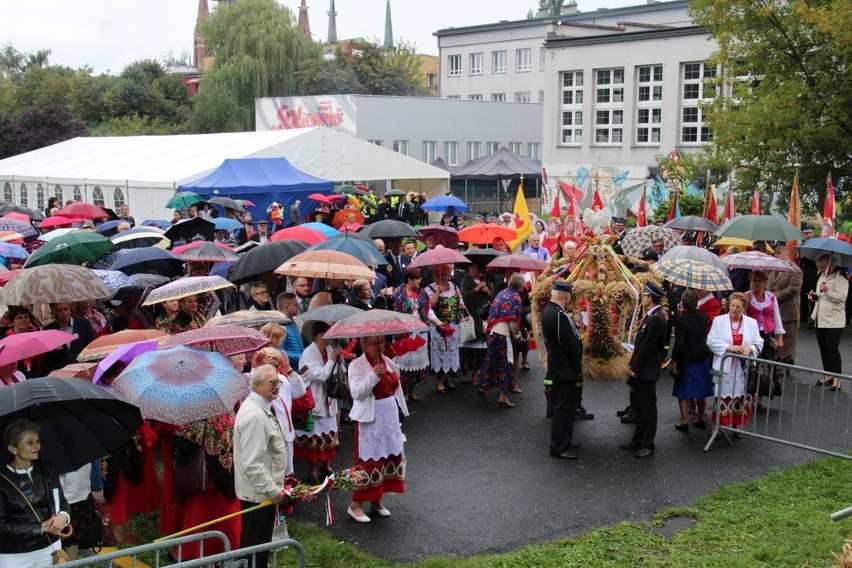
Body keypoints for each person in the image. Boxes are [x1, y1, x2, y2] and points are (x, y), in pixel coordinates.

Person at [346, 334, 408, 523]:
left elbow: (395, 386)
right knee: (368, 462)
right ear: (364, 345)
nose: (380, 346)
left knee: (387, 458)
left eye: (382, 342)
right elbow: (356, 392)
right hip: (370, 421)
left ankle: (376, 499)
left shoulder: (387, 360)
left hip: (388, 419)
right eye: (375, 343)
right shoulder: (356, 365)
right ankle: (355, 505)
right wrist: (373, 375)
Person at [233, 365, 289, 568]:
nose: (277, 387)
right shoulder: (255, 415)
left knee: (256, 549)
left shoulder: (261, 407)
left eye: (278, 382)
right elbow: (253, 464)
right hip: (258, 495)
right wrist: (273, 491)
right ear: (256, 386)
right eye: (272, 383)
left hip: (259, 493)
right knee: (255, 551)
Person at [0, 420, 71, 567]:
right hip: (15, 556)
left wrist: (63, 517)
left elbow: (62, 502)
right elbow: (2, 527)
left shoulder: (48, 470)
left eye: (37, 441)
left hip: (50, 548)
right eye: (30, 442)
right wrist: (40, 528)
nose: (37, 446)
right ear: (13, 448)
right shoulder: (2, 481)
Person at [171, 412, 241, 560]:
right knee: (226, 515)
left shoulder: (199, 412)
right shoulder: (229, 412)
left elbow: (183, 440)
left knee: (201, 516)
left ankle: (204, 555)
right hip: (227, 473)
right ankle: (227, 551)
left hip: (206, 476)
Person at [619, 283, 667, 458]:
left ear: (650, 298)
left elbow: (647, 347)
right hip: (642, 369)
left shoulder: (656, 318)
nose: (643, 297)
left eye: (645, 295)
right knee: (639, 406)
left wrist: (635, 368)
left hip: (647, 370)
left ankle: (647, 443)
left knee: (647, 408)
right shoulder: (651, 316)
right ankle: (637, 439)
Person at [706, 292, 764, 431]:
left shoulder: (752, 323)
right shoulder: (719, 321)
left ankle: (737, 426)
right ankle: (717, 426)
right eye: (732, 305)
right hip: (725, 366)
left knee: (741, 396)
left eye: (738, 307)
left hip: (742, 368)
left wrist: (749, 348)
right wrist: (729, 347)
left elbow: (759, 342)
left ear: (744, 308)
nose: (734, 309)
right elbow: (711, 341)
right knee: (721, 396)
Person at [295, 322, 341, 485]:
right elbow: (320, 375)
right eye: (325, 335)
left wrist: (335, 360)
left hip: (328, 399)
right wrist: (333, 359)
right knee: (314, 437)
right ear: (317, 336)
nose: (328, 339)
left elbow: (334, 371)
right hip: (315, 399)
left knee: (329, 434)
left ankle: (326, 466)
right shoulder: (308, 354)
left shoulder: (328, 350)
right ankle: (312, 470)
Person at [542, 280, 584, 460]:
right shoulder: (558, 315)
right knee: (563, 409)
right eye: (569, 296)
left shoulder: (550, 311)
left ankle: (564, 441)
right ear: (566, 295)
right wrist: (577, 368)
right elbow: (570, 346)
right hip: (564, 369)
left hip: (559, 367)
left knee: (566, 409)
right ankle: (558, 446)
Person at [474, 273, 525, 408]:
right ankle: (503, 396)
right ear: (520, 286)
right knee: (505, 365)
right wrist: (518, 336)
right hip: (502, 335)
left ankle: (483, 387)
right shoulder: (516, 298)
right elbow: (513, 322)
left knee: (491, 361)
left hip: (491, 332)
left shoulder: (501, 293)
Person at [670, 290, 713, 432]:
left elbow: (680, 343)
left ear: (683, 303)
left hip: (687, 359)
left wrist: (674, 360)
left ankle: (683, 420)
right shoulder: (703, 316)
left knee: (682, 392)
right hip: (702, 357)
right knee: (700, 391)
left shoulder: (682, 320)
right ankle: (700, 418)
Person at [392, 268, 435, 403]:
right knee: (403, 364)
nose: (421, 280)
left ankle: (412, 391)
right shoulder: (398, 294)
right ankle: (403, 392)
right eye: (418, 278)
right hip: (404, 333)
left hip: (420, 332)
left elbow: (428, 311)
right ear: (409, 280)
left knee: (417, 366)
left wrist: (439, 324)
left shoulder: (423, 294)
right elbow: (394, 313)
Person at [809, 255, 849, 390]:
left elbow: (842, 298)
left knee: (832, 349)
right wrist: (814, 296)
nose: (821, 270)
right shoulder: (821, 277)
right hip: (820, 318)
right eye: (819, 267)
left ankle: (837, 379)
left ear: (831, 266)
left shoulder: (840, 279)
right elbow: (821, 296)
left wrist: (828, 291)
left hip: (834, 320)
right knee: (823, 349)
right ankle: (827, 375)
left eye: (823, 267)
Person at [426, 264, 465, 393]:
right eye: (442, 274)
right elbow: (429, 306)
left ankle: (448, 378)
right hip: (439, 326)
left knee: (451, 351)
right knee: (440, 351)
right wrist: (438, 292)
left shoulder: (454, 287)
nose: (445, 277)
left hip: (453, 324)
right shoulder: (430, 288)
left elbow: (460, 300)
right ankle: (439, 381)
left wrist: (461, 304)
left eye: (447, 274)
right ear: (435, 275)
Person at [766, 247, 802, 364]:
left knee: (788, 340)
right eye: (774, 254)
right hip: (772, 311)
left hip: (788, 311)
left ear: (786, 255)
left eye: (778, 254)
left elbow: (792, 290)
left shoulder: (795, 270)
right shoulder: (772, 269)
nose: (775, 256)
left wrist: (772, 296)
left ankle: (787, 364)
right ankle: (775, 363)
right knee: (774, 338)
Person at [459, 263, 492, 384]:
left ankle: (476, 373)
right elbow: (464, 297)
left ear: (479, 268)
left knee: (481, 348)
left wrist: (487, 291)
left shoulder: (485, 280)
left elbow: (492, 298)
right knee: (466, 347)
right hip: (470, 315)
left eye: (475, 267)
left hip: (482, 317)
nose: (472, 269)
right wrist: (476, 289)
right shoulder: (466, 280)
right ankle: (463, 370)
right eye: (470, 267)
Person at [42, 302, 96, 374]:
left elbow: (91, 347)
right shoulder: (49, 330)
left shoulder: (84, 323)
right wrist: (54, 351)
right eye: (59, 310)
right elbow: (47, 359)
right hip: (61, 372)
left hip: (82, 369)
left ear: (70, 309)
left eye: (66, 309)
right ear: (54, 312)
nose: (64, 313)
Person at [276, 293, 304, 368]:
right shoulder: (280, 326)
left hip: (299, 367)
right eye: (295, 305)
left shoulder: (293, 321)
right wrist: (301, 357)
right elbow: (280, 351)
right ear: (287, 307)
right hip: (290, 369)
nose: (298, 307)